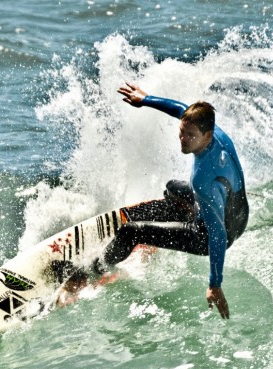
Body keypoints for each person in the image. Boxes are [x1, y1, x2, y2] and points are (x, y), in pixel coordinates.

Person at [97, 82, 249, 319]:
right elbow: (180, 109)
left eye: (191, 136)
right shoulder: (214, 132)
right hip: (240, 214)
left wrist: (215, 284)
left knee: (129, 232)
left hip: (210, 235)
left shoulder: (203, 180)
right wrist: (145, 99)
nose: (183, 139)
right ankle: (178, 215)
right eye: (182, 132)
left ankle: (96, 269)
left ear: (206, 135)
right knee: (172, 187)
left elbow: (217, 235)